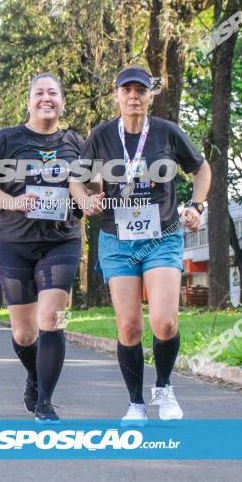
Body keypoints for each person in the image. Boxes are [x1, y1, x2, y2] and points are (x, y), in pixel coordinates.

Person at [69, 66, 211, 424]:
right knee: (129, 326)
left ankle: (164, 388)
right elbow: (77, 180)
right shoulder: (101, 136)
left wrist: (196, 205)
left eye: (140, 90)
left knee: (164, 323)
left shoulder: (167, 133)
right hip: (117, 240)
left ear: (150, 96)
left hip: (162, 235)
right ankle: (135, 404)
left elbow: (202, 169)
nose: (134, 96)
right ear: (117, 96)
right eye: (127, 90)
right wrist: (87, 200)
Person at [0, 73, 83, 422]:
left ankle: (46, 404)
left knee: (53, 319)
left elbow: (91, 184)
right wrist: (14, 202)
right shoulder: (6, 139)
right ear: (29, 100)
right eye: (39, 92)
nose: (46, 98)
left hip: (62, 239)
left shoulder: (75, 142)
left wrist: (87, 198)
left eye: (53, 92)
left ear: (63, 101)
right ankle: (35, 378)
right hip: (14, 241)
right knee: (24, 334)